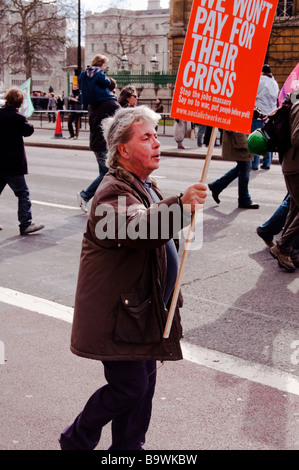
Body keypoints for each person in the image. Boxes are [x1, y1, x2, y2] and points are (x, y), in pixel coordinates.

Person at [59, 105, 207, 450]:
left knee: (143, 391)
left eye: (156, 135)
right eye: (147, 137)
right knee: (130, 388)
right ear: (122, 150)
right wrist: (180, 206)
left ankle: (128, 450)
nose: (157, 143)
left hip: (141, 313)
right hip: (118, 317)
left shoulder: (144, 183)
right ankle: (76, 439)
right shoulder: (111, 192)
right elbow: (137, 229)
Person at [0, 87, 45, 235]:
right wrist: (24, 117)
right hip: (13, 163)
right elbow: (29, 131)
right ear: (19, 103)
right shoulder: (18, 118)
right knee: (23, 194)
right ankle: (25, 223)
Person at [77, 78, 120, 213]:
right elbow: (124, 118)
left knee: (108, 173)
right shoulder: (111, 103)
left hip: (96, 141)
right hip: (103, 143)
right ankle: (85, 195)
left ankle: (106, 201)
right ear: (112, 89)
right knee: (109, 173)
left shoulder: (95, 102)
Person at [270, 88, 299, 272]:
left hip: (293, 165)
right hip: (296, 167)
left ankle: (285, 249)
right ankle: (282, 247)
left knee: (295, 208)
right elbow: (297, 138)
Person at [208, 130, 259, 209]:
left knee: (243, 167)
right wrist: (243, 143)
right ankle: (244, 199)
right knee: (245, 167)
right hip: (239, 139)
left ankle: (217, 186)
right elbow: (235, 124)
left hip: (241, 138)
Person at [251, 64, 279, 170]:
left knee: (256, 139)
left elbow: (253, 94)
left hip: (259, 114)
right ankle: (267, 163)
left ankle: (254, 164)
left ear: (262, 72)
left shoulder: (260, 81)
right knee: (268, 140)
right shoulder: (274, 83)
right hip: (270, 115)